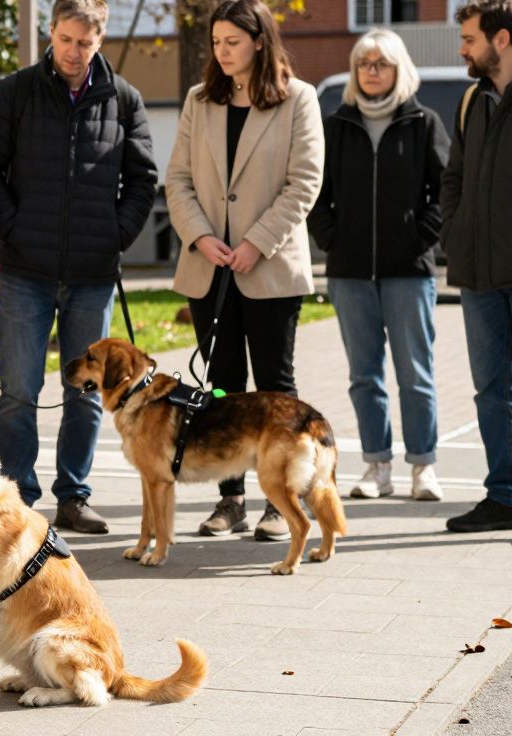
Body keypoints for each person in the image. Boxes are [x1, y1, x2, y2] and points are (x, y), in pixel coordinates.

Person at [0, 0, 157, 533]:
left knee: (87, 392)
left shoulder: (123, 99)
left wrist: (115, 235)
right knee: (19, 389)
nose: (74, 53)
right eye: (66, 40)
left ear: (100, 39)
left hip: (92, 273)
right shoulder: (16, 92)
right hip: (25, 269)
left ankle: (74, 495)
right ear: (51, 32)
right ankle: (20, 497)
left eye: (86, 43)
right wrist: (13, 227)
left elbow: (142, 180)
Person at [165, 0, 323, 541]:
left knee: (276, 387)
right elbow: (178, 179)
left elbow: (304, 182)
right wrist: (202, 236)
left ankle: (282, 502)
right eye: (215, 42)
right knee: (223, 386)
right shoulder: (198, 100)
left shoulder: (299, 99)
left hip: (270, 264)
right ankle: (230, 499)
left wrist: (256, 241)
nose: (221, 51)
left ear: (260, 40)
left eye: (232, 41)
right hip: (210, 266)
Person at [307, 29, 449, 501]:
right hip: (349, 273)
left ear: (398, 69)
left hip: (408, 271)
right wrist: (332, 240)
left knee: (416, 373)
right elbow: (316, 194)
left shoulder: (423, 122)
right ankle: (376, 467)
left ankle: (423, 466)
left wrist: (420, 238)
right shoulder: (336, 125)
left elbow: (445, 191)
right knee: (364, 375)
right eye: (364, 63)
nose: (371, 70)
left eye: (381, 63)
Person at [440, 0, 512, 545]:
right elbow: (454, 177)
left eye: (470, 39)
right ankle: (504, 497)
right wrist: (455, 235)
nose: (463, 50)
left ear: (501, 40)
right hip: (477, 271)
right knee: (489, 391)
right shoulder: (473, 100)